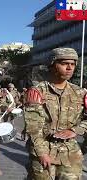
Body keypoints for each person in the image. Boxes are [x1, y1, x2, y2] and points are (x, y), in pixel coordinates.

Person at [25, 48, 87, 179]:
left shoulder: (80, 93)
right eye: (64, 63)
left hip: (70, 151)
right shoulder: (37, 92)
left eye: (73, 64)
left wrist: (75, 130)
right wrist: (42, 153)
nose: (70, 68)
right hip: (44, 148)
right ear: (52, 65)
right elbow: (33, 128)